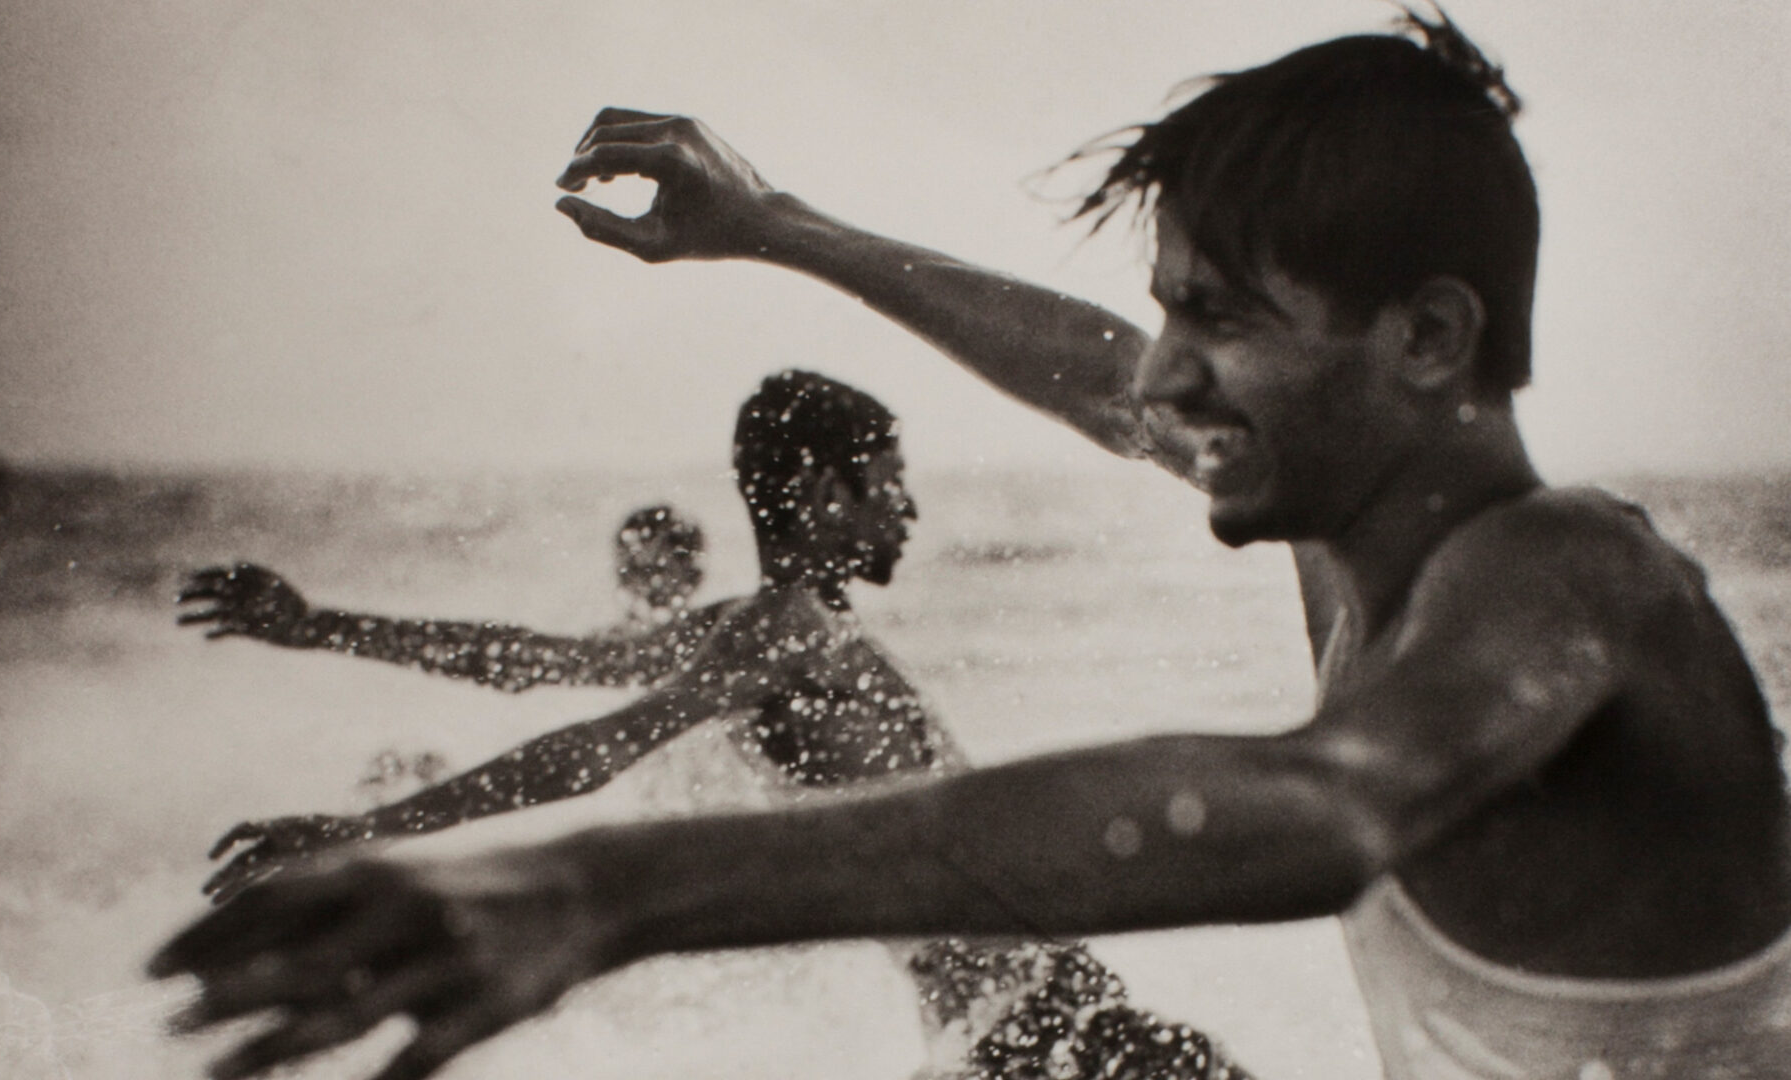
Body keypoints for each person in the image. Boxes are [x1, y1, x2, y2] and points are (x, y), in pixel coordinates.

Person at [151, 9, 1791, 1079]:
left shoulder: (1570, 571)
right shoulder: (1355, 545)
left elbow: (1315, 807)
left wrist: (599, 889)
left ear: (1422, 341)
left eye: (1212, 320)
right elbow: (1085, 373)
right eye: (1166, 313)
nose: (1157, 377)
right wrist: (774, 227)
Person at [179, 369, 1250, 1080]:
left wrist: (325, 628)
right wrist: (360, 830)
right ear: (824, 490)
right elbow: (589, 751)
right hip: (1035, 1029)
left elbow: (529, 661)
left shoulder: (757, 629)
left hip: (1002, 1032)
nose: (907, 510)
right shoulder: (789, 634)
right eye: (889, 484)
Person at [174, 503, 718, 693]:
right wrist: (316, 626)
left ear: (692, 576)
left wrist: (317, 628)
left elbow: (500, 657)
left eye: (653, 570)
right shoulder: (619, 647)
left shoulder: (713, 642)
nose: (637, 585)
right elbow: (502, 656)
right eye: (629, 568)